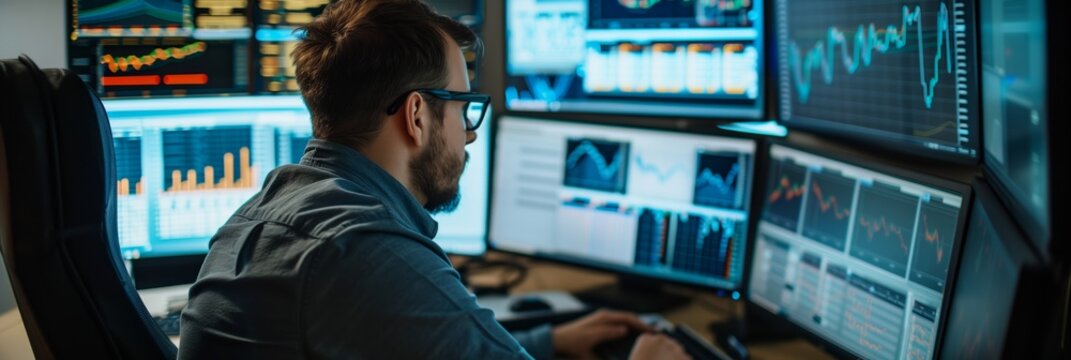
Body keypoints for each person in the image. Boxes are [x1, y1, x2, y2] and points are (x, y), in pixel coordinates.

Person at [177, 0, 690, 359]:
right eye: (463, 108)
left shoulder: (264, 215)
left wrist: (550, 343)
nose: (468, 135)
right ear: (418, 115)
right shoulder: (363, 249)